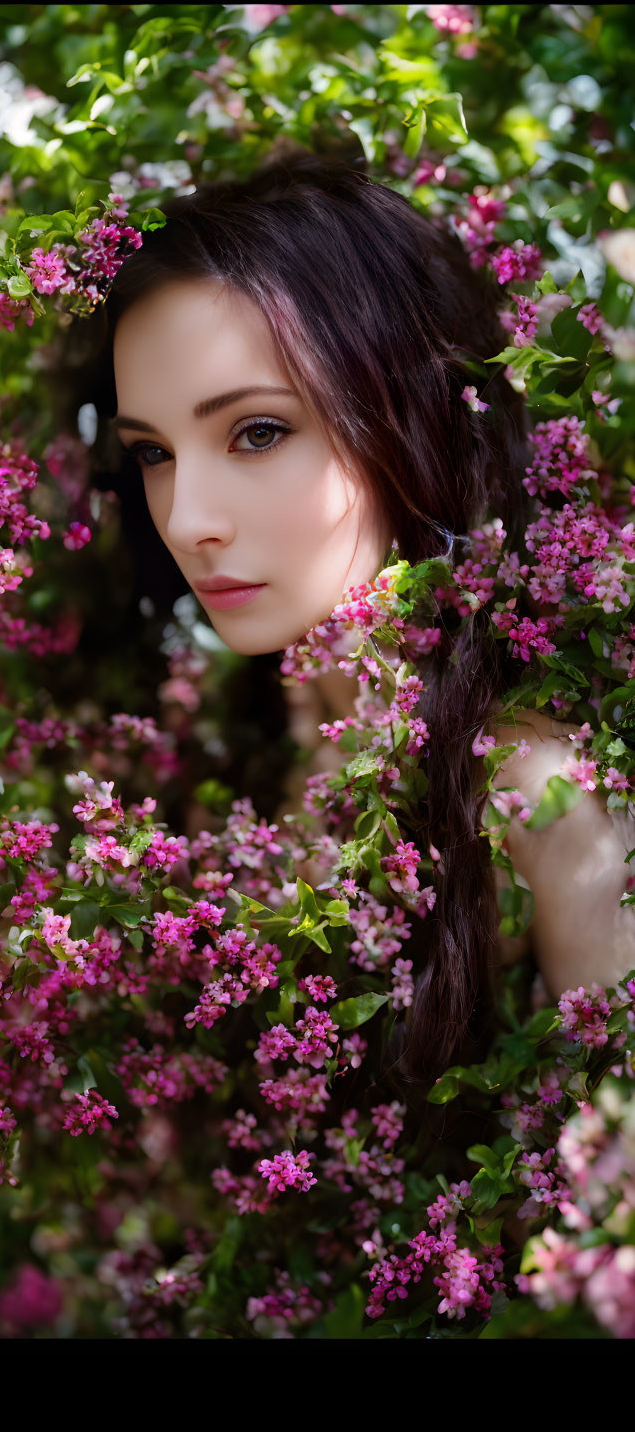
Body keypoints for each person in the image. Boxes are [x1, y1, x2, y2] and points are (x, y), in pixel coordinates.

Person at [85, 147, 634, 1088]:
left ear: (405, 417)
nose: (186, 519)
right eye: (152, 452)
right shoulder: (237, 746)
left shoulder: (538, 794)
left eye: (258, 431)